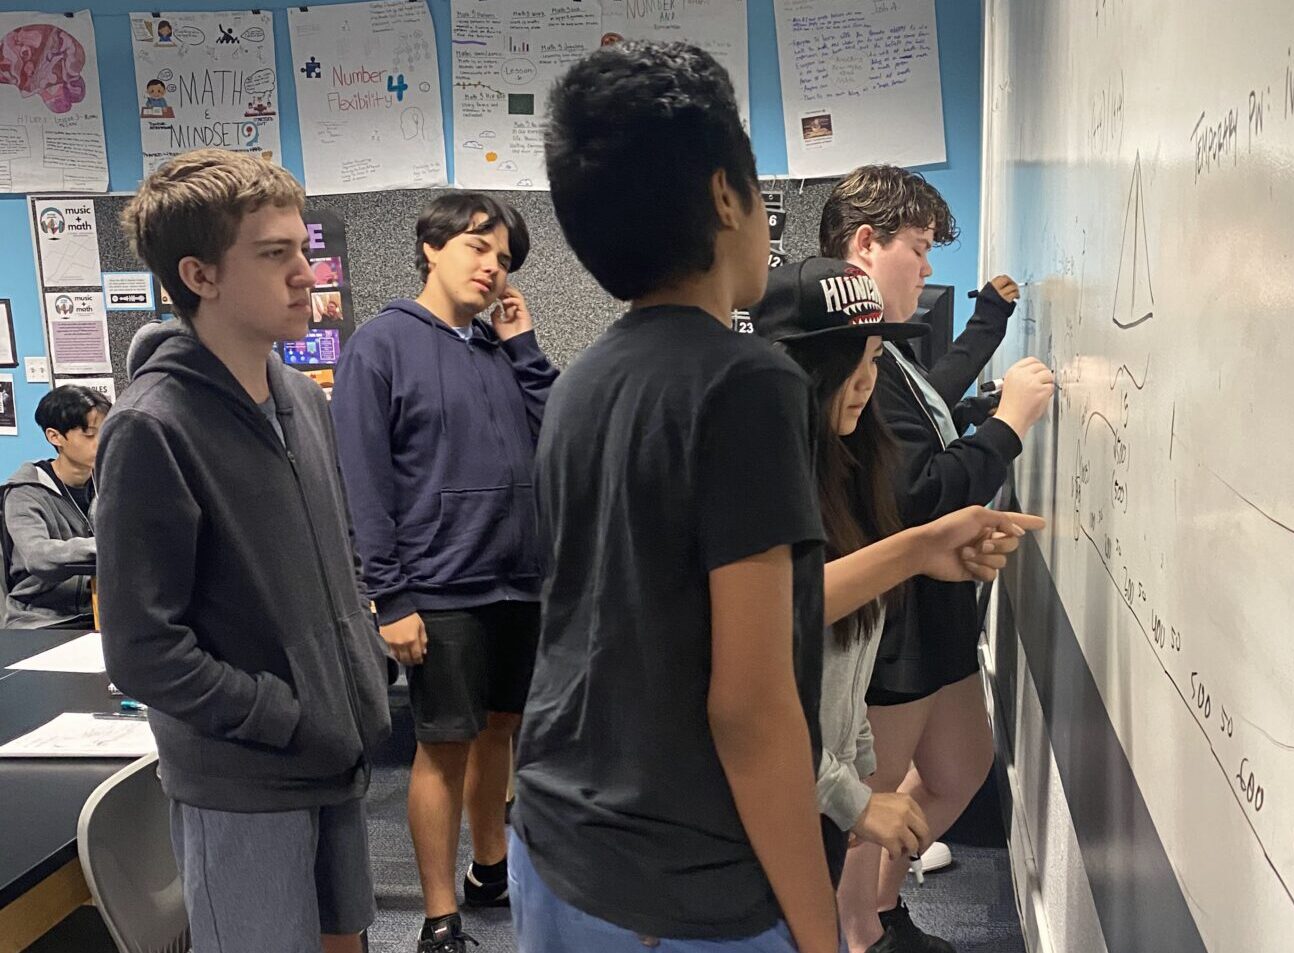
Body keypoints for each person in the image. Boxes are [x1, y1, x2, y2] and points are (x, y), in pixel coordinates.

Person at [511, 42, 1038, 953]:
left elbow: (721, 617)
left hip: (561, 847)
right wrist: (820, 932)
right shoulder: (743, 383)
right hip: (685, 884)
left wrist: (916, 547)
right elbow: (749, 708)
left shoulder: (589, 376)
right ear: (726, 197)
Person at [97, 148, 391, 953]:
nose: (306, 273)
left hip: (335, 755)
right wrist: (282, 714)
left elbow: (335, 559)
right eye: (275, 254)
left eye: (303, 250)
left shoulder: (298, 395)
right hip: (245, 781)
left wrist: (363, 671)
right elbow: (143, 650)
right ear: (200, 274)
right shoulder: (150, 428)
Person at [749, 258, 1046, 891]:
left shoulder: (840, 474)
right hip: (755, 824)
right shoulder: (761, 489)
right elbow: (746, 682)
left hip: (811, 800)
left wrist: (851, 780)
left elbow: (839, 654)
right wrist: (853, 798)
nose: (863, 380)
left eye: (876, 357)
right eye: (844, 364)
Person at [820, 165, 1055, 953]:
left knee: (960, 766)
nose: (926, 269)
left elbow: (935, 392)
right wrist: (1010, 424)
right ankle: (860, 929)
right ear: (864, 244)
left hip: (935, 603)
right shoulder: (843, 353)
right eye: (916, 250)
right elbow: (919, 492)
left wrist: (991, 320)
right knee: (870, 794)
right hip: (891, 616)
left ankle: (878, 911)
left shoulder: (886, 350)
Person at [332, 191, 556, 953]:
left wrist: (524, 346)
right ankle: (438, 915)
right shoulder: (381, 343)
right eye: (476, 247)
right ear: (430, 246)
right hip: (438, 586)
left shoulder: (498, 350)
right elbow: (363, 482)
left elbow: (553, 434)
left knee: (502, 729)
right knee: (444, 743)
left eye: (504, 259)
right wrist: (389, 595)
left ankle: (489, 867)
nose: (492, 267)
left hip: (516, 579)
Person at [1, 385, 109, 628]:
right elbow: (37, 555)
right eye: (90, 434)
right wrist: (107, 546)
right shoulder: (25, 491)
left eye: (107, 431)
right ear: (54, 436)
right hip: (43, 619)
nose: (102, 442)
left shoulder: (110, 483)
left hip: (103, 613)